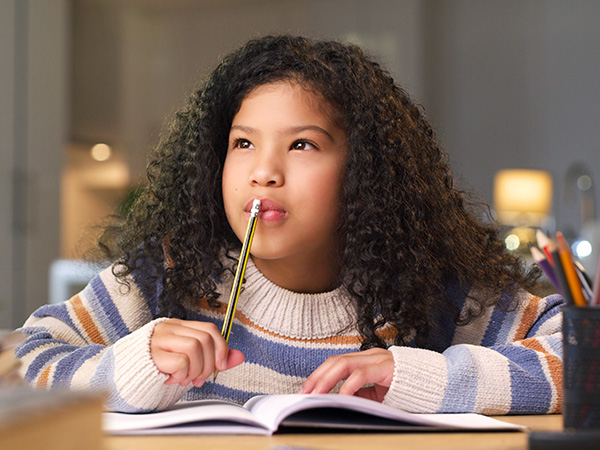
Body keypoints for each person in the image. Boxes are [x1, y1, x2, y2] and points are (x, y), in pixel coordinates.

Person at [16, 35, 563, 414]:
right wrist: (132, 367)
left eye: (302, 144)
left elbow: (584, 354)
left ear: (364, 171)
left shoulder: (433, 293)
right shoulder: (166, 277)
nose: (264, 172)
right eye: (243, 143)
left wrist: (420, 377)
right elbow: (24, 363)